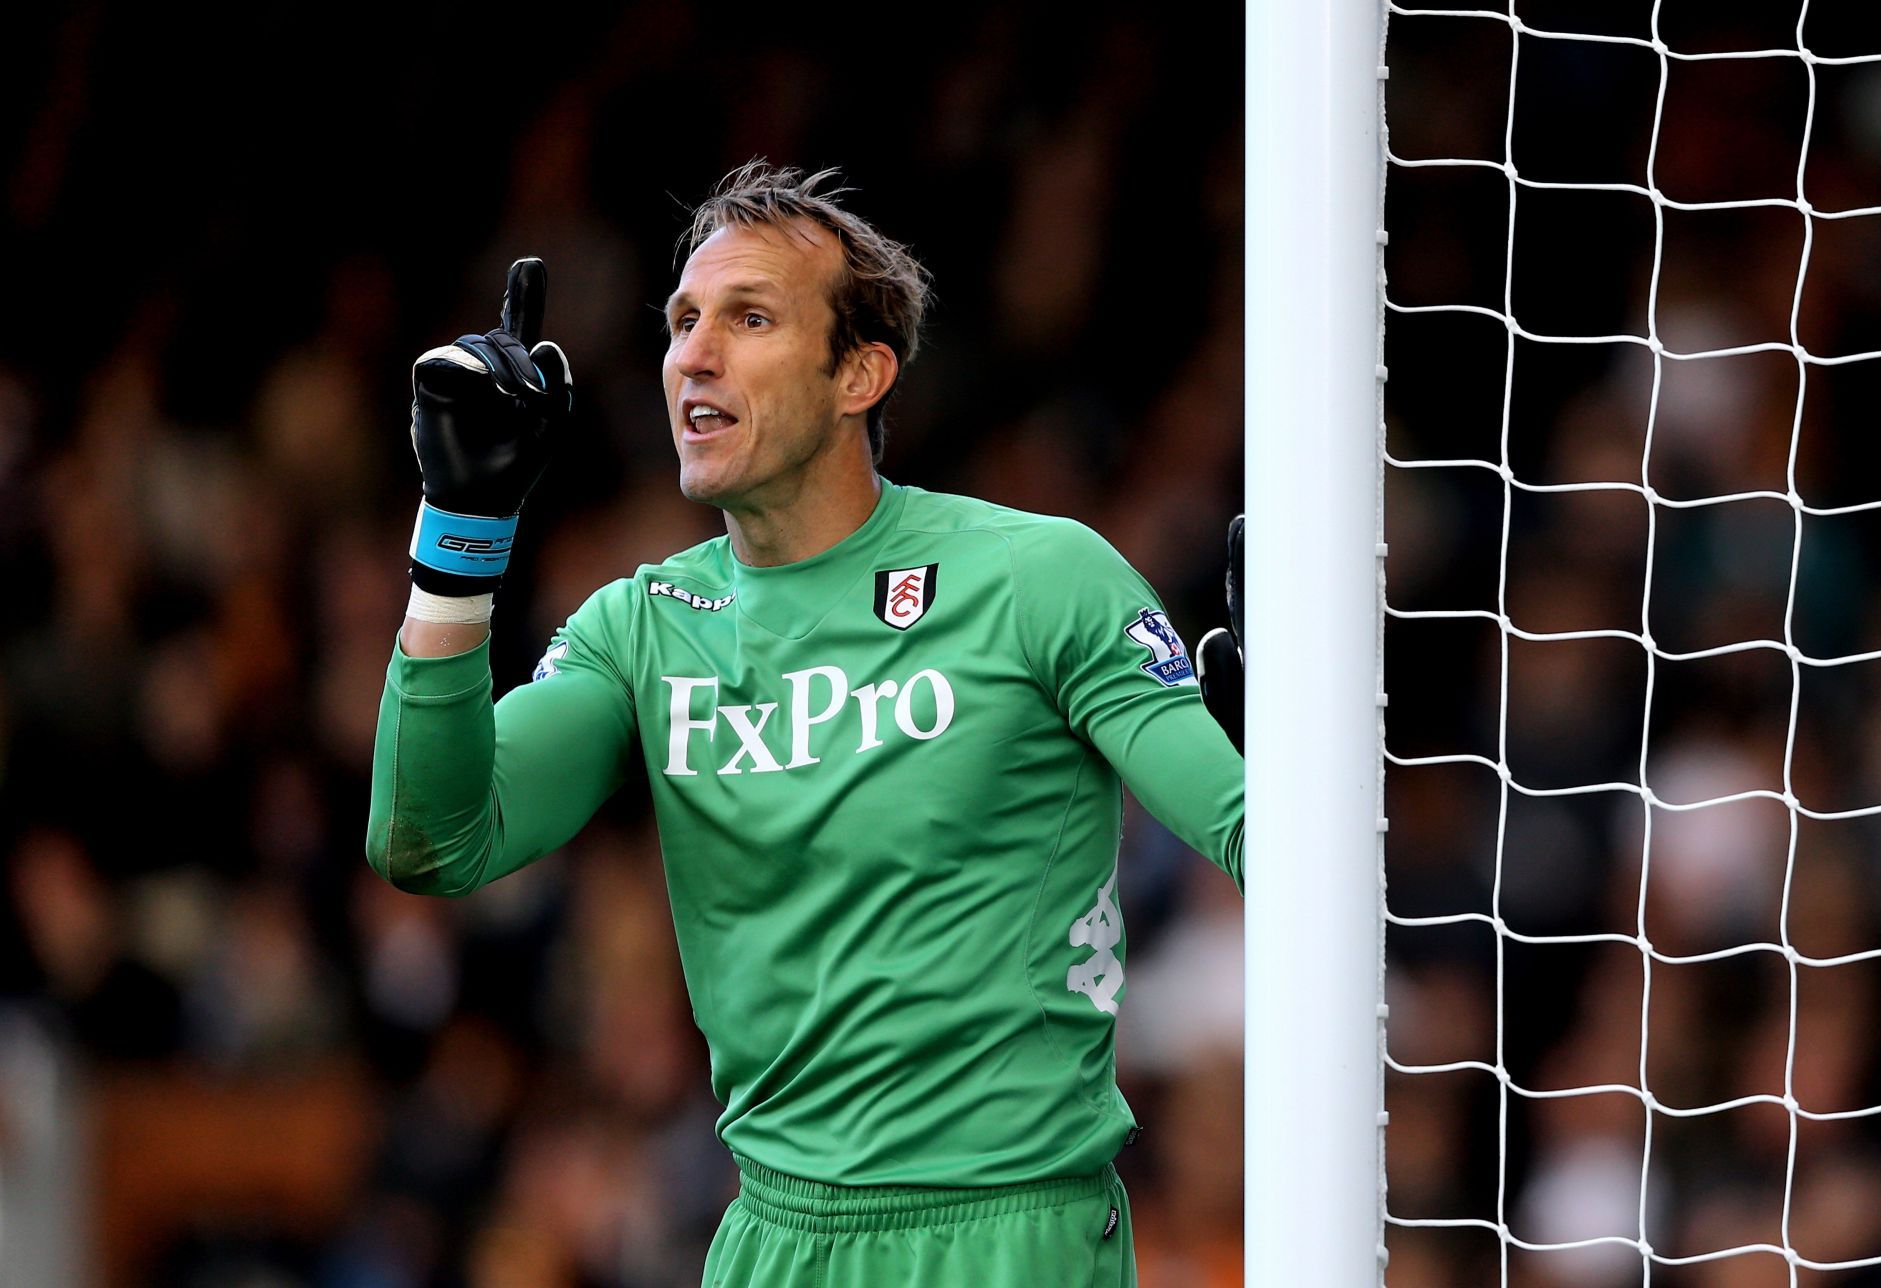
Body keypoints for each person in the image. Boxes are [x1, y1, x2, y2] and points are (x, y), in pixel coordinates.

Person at [367, 162, 1245, 1287]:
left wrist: (1300, 749)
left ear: (860, 374)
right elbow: (430, 839)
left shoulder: (1039, 577)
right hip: (771, 1240)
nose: (695, 352)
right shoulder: (643, 626)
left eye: (750, 317)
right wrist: (461, 530)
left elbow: (1253, 836)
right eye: (684, 321)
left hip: (1011, 1234)